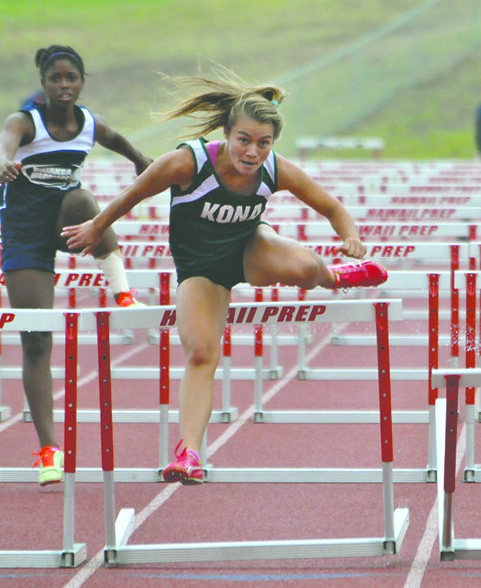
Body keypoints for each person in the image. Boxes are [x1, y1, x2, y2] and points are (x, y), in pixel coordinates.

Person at [63, 72, 388, 484]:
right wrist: (97, 224)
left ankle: (336, 275)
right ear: (227, 134)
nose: (253, 152)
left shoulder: (275, 169)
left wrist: (351, 238)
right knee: (201, 352)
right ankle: (189, 454)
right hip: (201, 270)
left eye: (264, 143)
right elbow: (139, 191)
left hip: (249, 249)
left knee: (307, 270)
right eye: (244, 140)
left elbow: (333, 207)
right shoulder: (189, 161)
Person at [0, 45, 153, 487]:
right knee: (35, 341)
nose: (64, 86)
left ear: (82, 81)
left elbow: (122, 144)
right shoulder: (23, 122)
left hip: (68, 223)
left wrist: (143, 165)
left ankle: (121, 291)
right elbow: (4, 145)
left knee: (84, 199)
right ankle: (48, 450)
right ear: (43, 84)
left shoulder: (90, 123)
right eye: (55, 79)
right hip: (24, 234)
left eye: (72, 78)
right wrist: (5, 162)